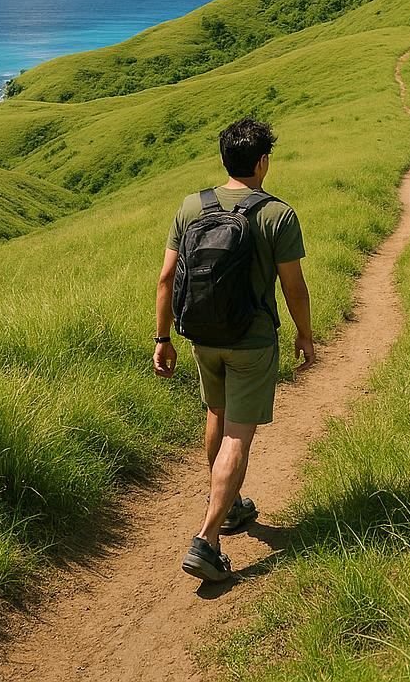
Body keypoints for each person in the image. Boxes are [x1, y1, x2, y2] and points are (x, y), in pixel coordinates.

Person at [153, 116, 315, 583]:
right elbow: (293, 287)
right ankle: (206, 540)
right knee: (238, 435)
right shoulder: (277, 214)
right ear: (262, 162)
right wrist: (305, 334)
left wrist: (163, 338)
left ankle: (230, 505)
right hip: (251, 341)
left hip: (202, 335)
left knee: (216, 416)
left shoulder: (192, 206)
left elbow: (166, 278)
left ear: (225, 158)